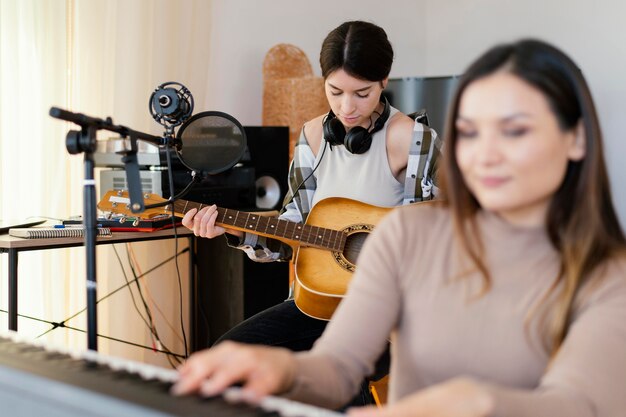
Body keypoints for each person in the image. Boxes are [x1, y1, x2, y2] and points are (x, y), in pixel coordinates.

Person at [173, 38, 626, 417]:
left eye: (515, 131)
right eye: (469, 132)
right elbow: (338, 365)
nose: (484, 155)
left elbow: (580, 403)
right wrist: (283, 370)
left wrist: (476, 402)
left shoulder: (608, 276)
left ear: (577, 137)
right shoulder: (406, 235)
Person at [181, 20, 440, 406]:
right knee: (227, 357)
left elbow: (428, 239)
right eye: (335, 92)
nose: (347, 107)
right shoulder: (313, 136)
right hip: (314, 303)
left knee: (340, 379)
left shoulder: (413, 138)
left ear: (384, 82)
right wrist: (233, 231)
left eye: (362, 93)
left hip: (386, 318)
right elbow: (291, 230)